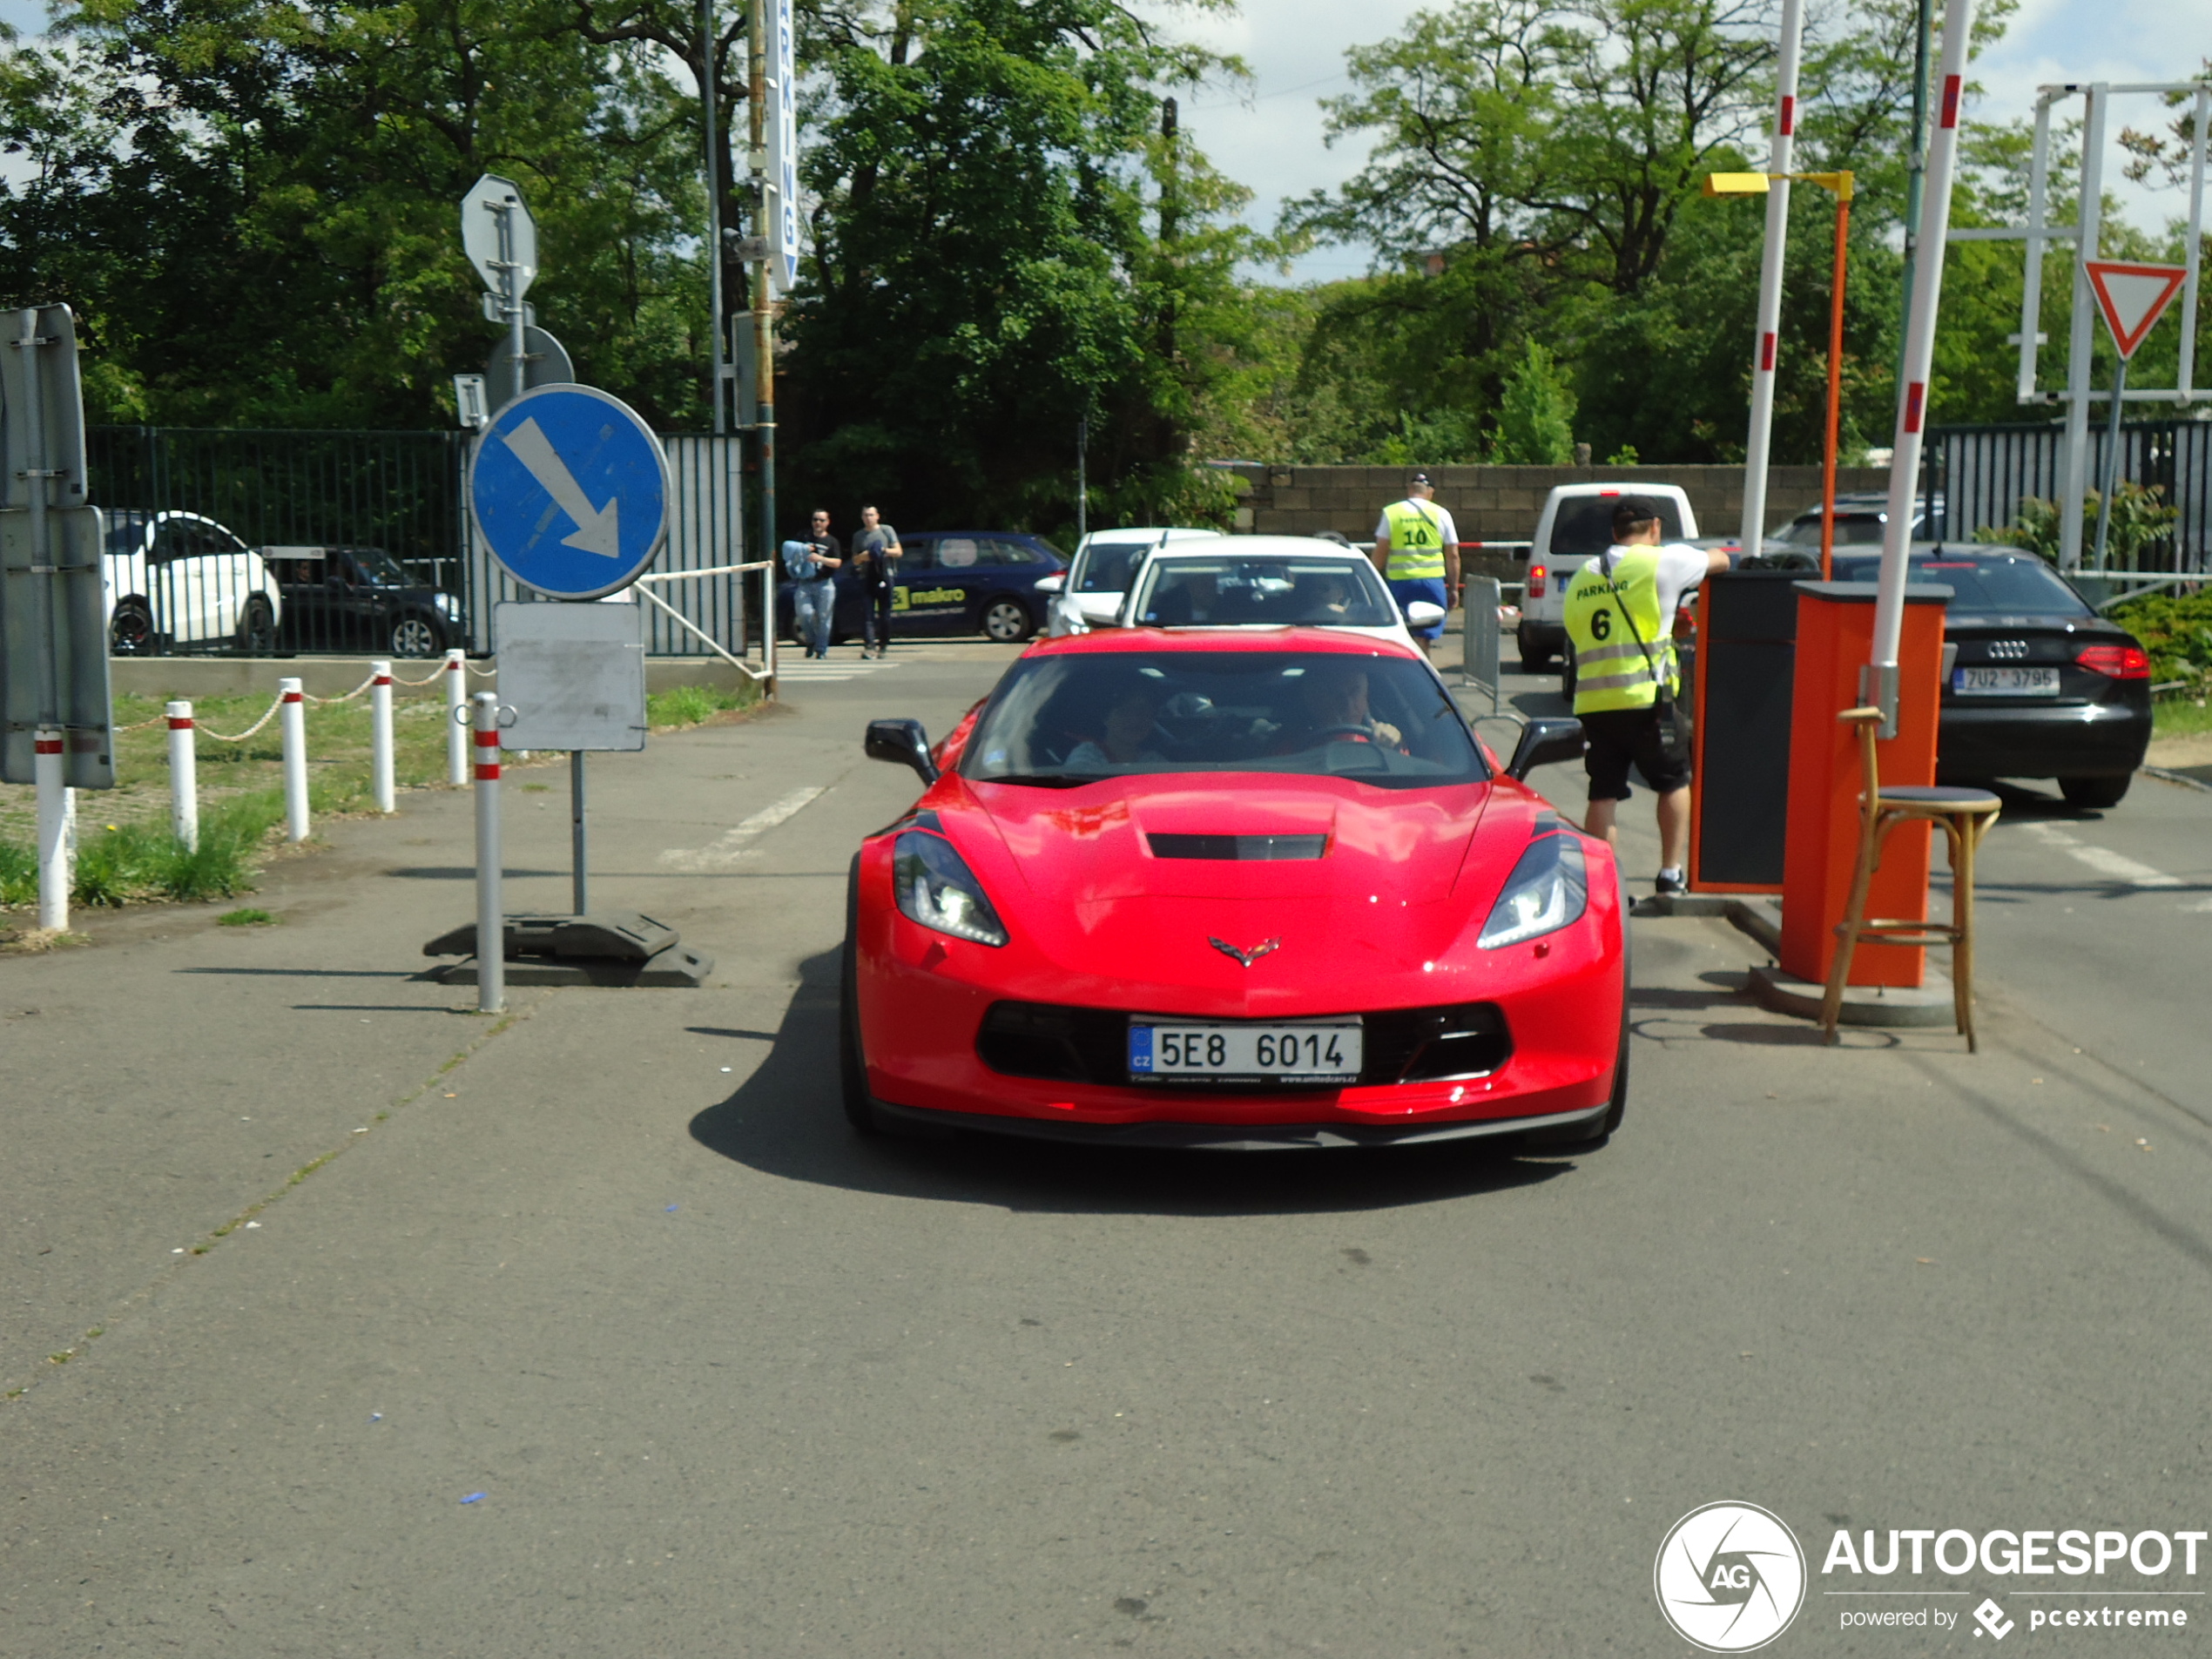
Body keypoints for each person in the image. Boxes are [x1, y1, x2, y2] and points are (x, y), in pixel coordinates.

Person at [1561, 495, 1730, 896]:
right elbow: (1719, 560)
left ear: (1614, 532)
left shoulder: (1583, 576)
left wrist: (1666, 628)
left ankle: (1601, 884)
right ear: (1655, 527)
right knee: (1673, 781)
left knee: (1603, 792)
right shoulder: (1662, 561)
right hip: (1648, 701)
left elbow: (1593, 632)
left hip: (1595, 703)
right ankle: (1670, 873)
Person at [1370, 472, 1460, 650]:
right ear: (1430, 491)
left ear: (1409, 490)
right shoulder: (1441, 514)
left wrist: (1371, 581)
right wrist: (1454, 588)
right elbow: (1453, 555)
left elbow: (1380, 552)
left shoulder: (1392, 512)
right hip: (1432, 582)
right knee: (1425, 633)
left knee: (1400, 631)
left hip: (1400, 581)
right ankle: (1422, 668)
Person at [1066, 678, 1170, 770]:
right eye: (1124, 712)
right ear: (1105, 717)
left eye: (1144, 712)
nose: (1135, 720)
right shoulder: (1086, 756)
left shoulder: (1154, 761)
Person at [785, 509, 842, 658]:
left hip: (825, 584)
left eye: (822, 520)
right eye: (815, 519)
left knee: (824, 618)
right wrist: (801, 551)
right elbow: (790, 550)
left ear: (827, 522)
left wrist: (821, 559)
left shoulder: (832, 541)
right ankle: (810, 640)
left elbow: (837, 562)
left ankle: (821, 650)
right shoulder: (804, 537)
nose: (818, 523)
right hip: (805, 583)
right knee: (804, 614)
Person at [849, 505, 902, 659]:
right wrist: (864, 556)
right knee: (867, 614)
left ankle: (883, 645)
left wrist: (882, 551)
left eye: (871, 515)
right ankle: (869, 646)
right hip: (867, 577)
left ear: (877, 516)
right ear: (862, 517)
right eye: (866, 515)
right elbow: (855, 560)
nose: (869, 518)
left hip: (886, 575)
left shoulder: (886, 531)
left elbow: (898, 552)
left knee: (885, 614)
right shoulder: (859, 536)